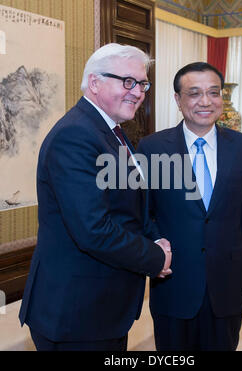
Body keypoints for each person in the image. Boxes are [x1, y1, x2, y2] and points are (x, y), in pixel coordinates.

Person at [19, 43, 172, 351]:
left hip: (101, 309)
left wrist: (155, 239)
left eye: (142, 83)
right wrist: (155, 258)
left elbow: (129, 205)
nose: (138, 91)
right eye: (127, 81)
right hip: (75, 315)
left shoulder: (110, 130)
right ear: (94, 82)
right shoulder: (75, 135)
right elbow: (93, 229)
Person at [138, 62, 242, 351]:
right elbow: (145, 213)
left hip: (228, 286)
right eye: (194, 93)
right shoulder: (152, 147)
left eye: (213, 92)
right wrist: (157, 249)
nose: (205, 102)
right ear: (178, 100)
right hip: (174, 284)